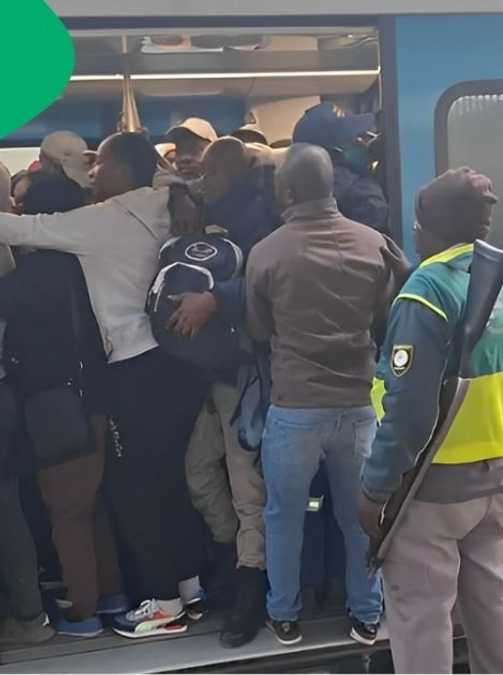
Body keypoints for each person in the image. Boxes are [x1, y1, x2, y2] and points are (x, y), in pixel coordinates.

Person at [0, 132, 210, 639]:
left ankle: (161, 604)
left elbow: (23, 227)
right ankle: (191, 589)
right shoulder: (167, 202)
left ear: (124, 169)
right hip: (176, 362)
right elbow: (172, 177)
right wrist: (174, 185)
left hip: (133, 368)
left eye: (103, 165)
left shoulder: (104, 220)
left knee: (132, 488)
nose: (94, 175)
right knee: (169, 480)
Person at [360, 168, 503, 674]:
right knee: (491, 599)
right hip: (500, 474)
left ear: (426, 228)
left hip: (432, 487)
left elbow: (410, 410)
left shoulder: (425, 294)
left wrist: (375, 490)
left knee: (421, 614)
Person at [245, 144, 407, 647]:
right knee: (358, 518)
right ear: (331, 186)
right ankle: (366, 614)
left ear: (287, 192)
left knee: (284, 517)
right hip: (358, 407)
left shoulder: (266, 252)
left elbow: (257, 326)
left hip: (295, 408)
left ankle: (285, 615)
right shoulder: (374, 245)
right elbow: (388, 317)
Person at [0, 172, 127, 639]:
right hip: (95, 393)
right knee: (93, 505)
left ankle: (83, 612)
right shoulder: (86, 265)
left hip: (53, 404)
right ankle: (112, 595)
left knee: (66, 512)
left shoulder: (24, 281)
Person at [172, 137, 278, 648]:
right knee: (198, 472)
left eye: (210, 174)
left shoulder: (259, 221)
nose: (201, 183)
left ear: (231, 174)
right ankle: (231, 558)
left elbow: (266, 287)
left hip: (245, 377)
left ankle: (249, 592)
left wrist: (216, 299)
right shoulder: (222, 217)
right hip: (219, 376)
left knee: (245, 490)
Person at [0, 162, 54, 647]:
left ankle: (26, 613)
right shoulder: (12, 262)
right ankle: (29, 612)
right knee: (8, 503)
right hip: (7, 391)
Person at [292, 102, 389, 234]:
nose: (363, 143)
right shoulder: (362, 193)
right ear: (334, 152)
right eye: (355, 138)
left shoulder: (292, 194)